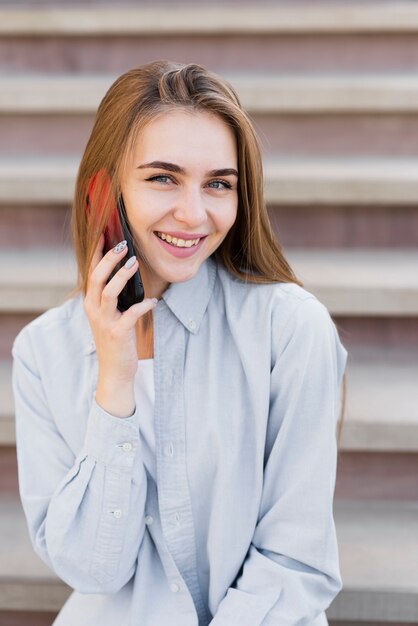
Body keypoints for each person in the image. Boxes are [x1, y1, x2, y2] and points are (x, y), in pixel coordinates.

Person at [12, 60, 347, 626]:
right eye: (163, 177)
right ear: (105, 191)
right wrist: (114, 384)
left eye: (218, 183)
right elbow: (94, 572)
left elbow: (295, 563)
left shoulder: (291, 330)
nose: (194, 214)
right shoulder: (43, 353)